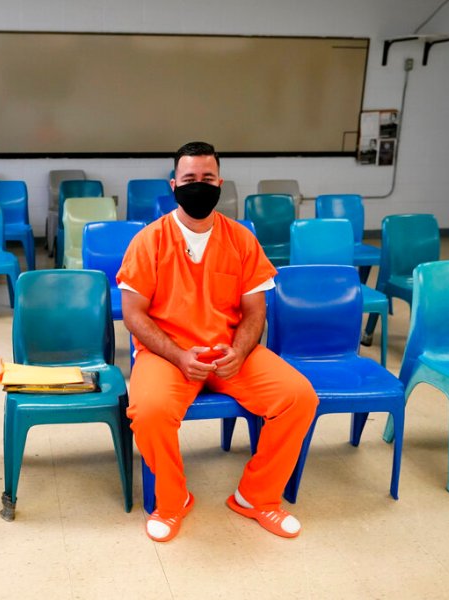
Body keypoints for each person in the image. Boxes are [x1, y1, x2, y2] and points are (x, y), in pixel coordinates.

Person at [117, 141, 318, 542]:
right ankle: (173, 502)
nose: (199, 185)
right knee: (150, 411)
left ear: (220, 183)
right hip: (169, 355)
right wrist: (177, 354)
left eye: (207, 178)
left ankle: (256, 497)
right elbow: (134, 314)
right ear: (174, 185)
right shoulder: (149, 241)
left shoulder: (241, 240)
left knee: (299, 397)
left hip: (230, 353)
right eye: (189, 179)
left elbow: (255, 311)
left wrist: (239, 351)